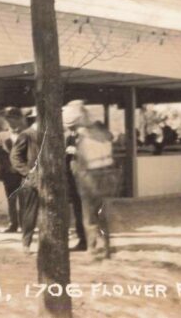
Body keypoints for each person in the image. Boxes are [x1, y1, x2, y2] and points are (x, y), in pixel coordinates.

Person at [66, 101, 120, 259]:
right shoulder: (102, 134)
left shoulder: (82, 135)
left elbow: (80, 160)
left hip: (89, 178)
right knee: (101, 214)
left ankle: (92, 248)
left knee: (89, 215)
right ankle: (105, 247)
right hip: (105, 176)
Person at [11, 107, 41, 254]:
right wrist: (28, 172)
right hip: (31, 179)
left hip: (49, 178)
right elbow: (15, 157)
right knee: (30, 212)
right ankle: (26, 244)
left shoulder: (51, 134)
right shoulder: (26, 135)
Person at [63, 101, 89, 252]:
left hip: (88, 180)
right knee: (79, 211)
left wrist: (78, 152)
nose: (72, 129)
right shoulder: (70, 137)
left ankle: (92, 242)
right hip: (74, 180)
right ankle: (83, 240)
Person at [0, 108, 24, 233]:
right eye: (9, 119)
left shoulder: (26, 134)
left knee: (24, 198)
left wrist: (23, 167)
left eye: (14, 119)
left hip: (23, 172)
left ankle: (24, 224)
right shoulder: (1, 136)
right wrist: (8, 166)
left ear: (19, 119)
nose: (11, 122)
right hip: (9, 173)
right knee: (11, 199)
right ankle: (13, 224)